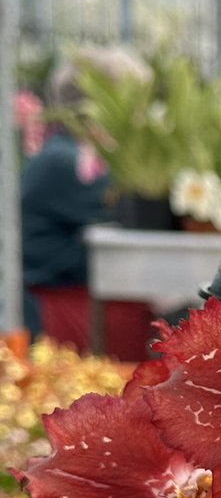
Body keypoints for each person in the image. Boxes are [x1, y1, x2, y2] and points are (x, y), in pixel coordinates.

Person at [20, 49, 154, 360]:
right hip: (64, 319)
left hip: (85, 307)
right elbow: (135, 211)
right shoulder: (65, 162)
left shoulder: (70, 153)